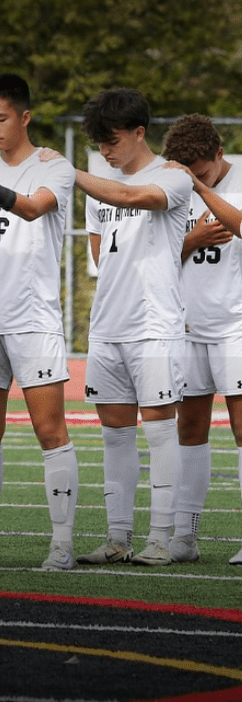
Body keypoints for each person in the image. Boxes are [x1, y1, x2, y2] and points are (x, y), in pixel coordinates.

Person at [0, 74, 79, 571]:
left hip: (32, 320)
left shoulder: (55, 167)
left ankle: (63, 545)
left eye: (1, 118)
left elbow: (31, 209)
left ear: (24, 117)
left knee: (50, 430)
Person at [69, 88, 191, 566]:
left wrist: (70, 173)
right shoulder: (102, 185)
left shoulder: (172, 177)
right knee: (114, 434)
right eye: (99, 144)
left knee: (161, 432)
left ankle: (161, 538)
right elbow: (101, 255)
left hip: (154, 326)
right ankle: (117, 537)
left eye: (113, 140)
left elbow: (136, 196)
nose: (106, 151)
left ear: (140, 132)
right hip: (108, 327)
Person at [161, 115, 242, 564]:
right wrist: (190, 239)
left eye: (203, 170)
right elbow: (153, 254)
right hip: (187, 328)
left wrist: (203, 189)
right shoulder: (174, 185)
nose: (194, 179)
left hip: (236, 326)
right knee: (189, 431)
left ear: (219, 151)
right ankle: (185, 536)